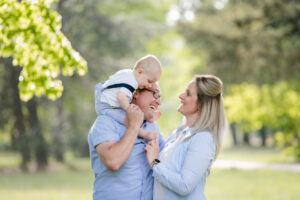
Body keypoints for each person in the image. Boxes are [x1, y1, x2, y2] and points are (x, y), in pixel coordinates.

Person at [145, 74, 227, 200]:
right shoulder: (178, 133)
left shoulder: (203, 139)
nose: (181, 96)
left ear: (201, 104)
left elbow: (184, 185)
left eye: (188, 94)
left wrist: (154, 163)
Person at [88, 82, 165, 200]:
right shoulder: (105, 122)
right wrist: (134, 126)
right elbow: (113, 162)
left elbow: (165, 165)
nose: (158, 102)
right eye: (155, 94)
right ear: (136, 93)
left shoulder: (153, 127)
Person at [100, 55, 162, 141]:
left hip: (106, 99)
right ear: (140, 72)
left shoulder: (128, 74)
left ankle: (149, 116)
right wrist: (130, 110)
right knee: (128, 120)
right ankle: (145, 134)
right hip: (105, 106)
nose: (149, 85)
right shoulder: (131, 83)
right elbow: (120, 97)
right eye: (149, 81)